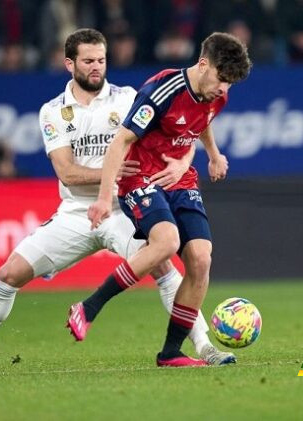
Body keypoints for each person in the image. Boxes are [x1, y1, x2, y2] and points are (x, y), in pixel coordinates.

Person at [0, 28, 235, 373]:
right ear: (69, 63)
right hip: (75, 212)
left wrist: (184, 160)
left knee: (164, 263)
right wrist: (111, 172)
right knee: (8, 274)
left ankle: (203, 345)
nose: (96, 67)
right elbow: (67, 173)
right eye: (88, 61)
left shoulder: (128, 97)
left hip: (124, 207)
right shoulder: (53, 112)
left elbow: (183, 127)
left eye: (101, 60)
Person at [67, 32, 252, 367]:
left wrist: (212, 154)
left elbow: (201, 121)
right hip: (142, 177)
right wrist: (106, 199)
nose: (225, 89)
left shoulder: (216, 95)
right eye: (222, 80)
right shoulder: (161, 90)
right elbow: (120, 142)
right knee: (166, 242)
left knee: (201, 259)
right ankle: (89, 307)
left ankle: (170, 353)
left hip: (180, 178)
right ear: (203, 64)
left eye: (231, 84)